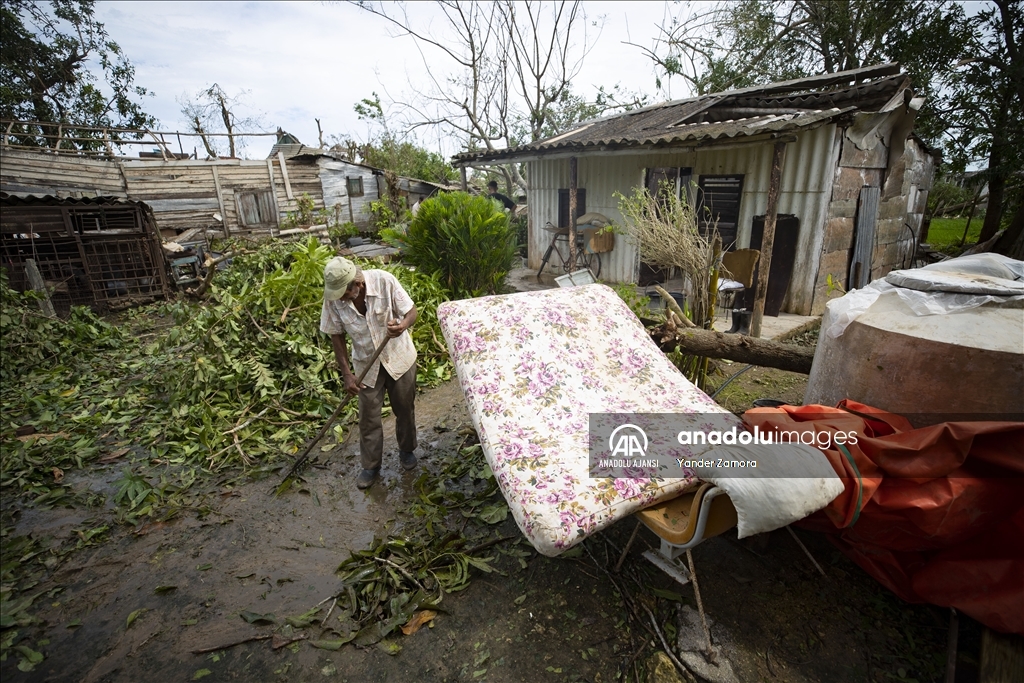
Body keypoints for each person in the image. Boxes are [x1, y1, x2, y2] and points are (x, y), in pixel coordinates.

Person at [320, 256, 418, 489]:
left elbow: (411, 311)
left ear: (358, 284)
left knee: (404, 408)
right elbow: (336, 334)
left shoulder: (385, 281)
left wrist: (402, 326)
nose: (341, 298)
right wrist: (346, 374)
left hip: (399, 357)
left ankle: (406, 450)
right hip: (366, 365)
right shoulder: (333, 298)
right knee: (368, 417)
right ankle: (371, 465)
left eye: (344, 293)